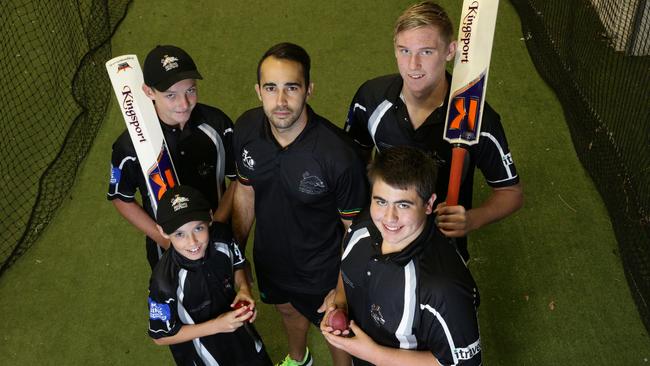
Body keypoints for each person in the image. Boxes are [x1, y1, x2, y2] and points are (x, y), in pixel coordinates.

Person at [344, 1, 523, 260]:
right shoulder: (371, 99)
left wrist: (471, 220)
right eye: (404, 50)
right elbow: (354, 159)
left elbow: (511, 193)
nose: (413, 64)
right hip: (384, 230)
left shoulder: (479, 121)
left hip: (441, 246)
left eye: (426, 52)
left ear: (450, 51)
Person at [232, 42, 368, 366]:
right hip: (272, 261)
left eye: (291, 88)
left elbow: (356, 231)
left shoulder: (338, 155)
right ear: (258, 91)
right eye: (271, 88)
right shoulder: (246, 130)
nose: (280, 101)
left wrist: (341, 290)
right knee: (286, 310)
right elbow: (245, 191)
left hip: (322, 270)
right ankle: (299, 359)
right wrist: (235, 256)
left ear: (309, 90)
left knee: (337, 334)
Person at [321, 146, 481, 366]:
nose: (389, 218)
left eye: (403, 205)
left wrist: (374, 355)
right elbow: (347, 264)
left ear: (429, 204)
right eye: (381, 201)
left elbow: (464, 363)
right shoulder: (363, 226)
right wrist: (338, 301)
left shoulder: (442, 288)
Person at [107, 45, 236, 270]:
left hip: (218, 237)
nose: (184, 103)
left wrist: (217, 225)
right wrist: (165, 240)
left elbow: (237, 179)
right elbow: (121, 197)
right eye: (170, 95)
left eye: (191, 90)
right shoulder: (129, 147)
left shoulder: (218, 125)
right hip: (167, 251)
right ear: (149, 92)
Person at [148, 185, 272, 365]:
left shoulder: (223, 236)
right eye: (180, 234)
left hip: (245, 340)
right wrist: (217, 326)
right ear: (162, 231)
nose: (192, 242)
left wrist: (244, 289)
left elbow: (237, 263)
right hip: (205, 358)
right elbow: (161, 336)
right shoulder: (164, 282)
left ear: (210, 217)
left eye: (198, 228)